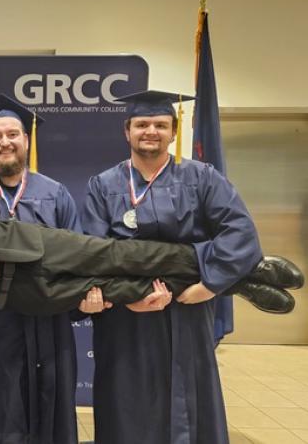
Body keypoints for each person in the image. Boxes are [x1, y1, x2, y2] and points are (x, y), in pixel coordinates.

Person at [0, 143, 299, 317]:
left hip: (28, 243)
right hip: (0, 292)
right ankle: (237, 280)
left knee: (122, 256)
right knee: (117, 287)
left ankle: (239, 269)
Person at [81, 90, 301, 444]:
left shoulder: (201, 178)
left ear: (173, 130)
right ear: (127, 131)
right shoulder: (103, 185)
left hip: (187, 308)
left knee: (185, 392)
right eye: (141, 124)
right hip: (125, 316)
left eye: (159, 124)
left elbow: (239, 230)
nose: (150, 131)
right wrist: (127, 297)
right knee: (126, 394)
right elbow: (93, 248)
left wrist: (210, 284)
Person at [0, 94, 97, 443]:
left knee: (49, 404)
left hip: (46, 322)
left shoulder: (55, 193)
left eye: (12, 134)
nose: (4, 142)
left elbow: (77, 255)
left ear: (26, 139)